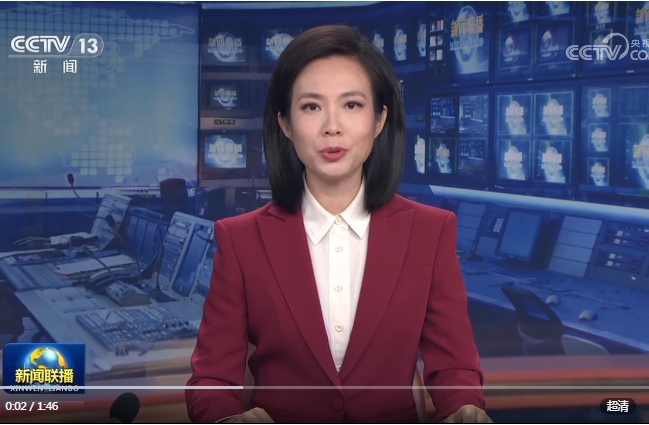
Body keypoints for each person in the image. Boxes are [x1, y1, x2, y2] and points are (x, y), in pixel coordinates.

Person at [186, 25, 490, 424]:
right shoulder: (240, 240)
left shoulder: (430, 232)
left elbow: (455, 368)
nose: (332, 126)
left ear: (379, 119)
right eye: (312, 107)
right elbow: (210, 381)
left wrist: (465, 409)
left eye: (352, 105)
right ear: (285, 123)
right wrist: (227, 418)